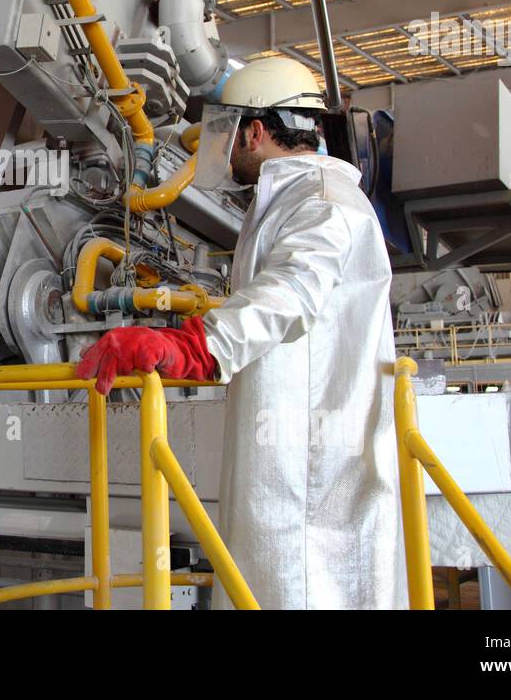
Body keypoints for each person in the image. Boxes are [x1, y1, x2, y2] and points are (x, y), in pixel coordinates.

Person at [76, 56, 405, 609]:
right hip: (286, 461)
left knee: (303, 588)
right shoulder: (288, 199)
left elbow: (292, 293)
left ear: (255, 131)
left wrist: (197, 345)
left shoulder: (324, 203)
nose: (223, 150)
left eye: (228, 134)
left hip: (317, 479)